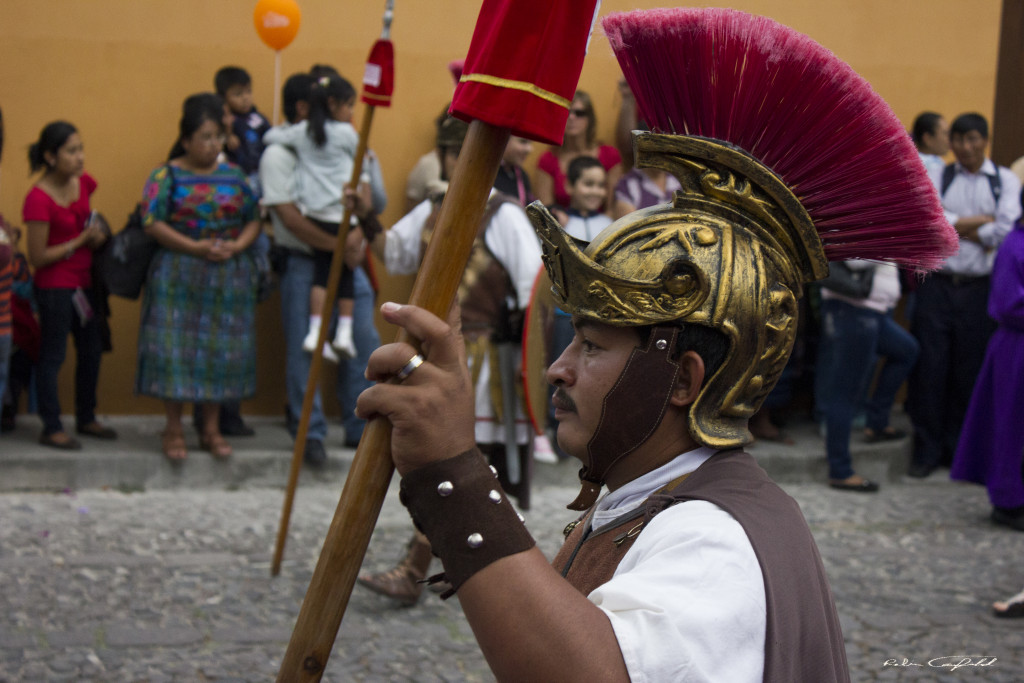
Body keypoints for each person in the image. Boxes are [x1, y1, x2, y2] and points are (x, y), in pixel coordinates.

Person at [353, 130, 850, 680]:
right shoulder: (653, 496)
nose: (557, 369)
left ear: (681, 379)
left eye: (591, 345)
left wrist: (451, 468)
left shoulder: (714, 538)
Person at [350, 116, 542, 606]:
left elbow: (532, 292)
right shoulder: (434, 209)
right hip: (430, 357)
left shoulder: (506, 216)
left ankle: (437, 570)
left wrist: (523, 372)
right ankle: (488, 577)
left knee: (467, 469)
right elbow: (393, 254)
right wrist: (366, 217)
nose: (459, 162)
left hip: (485, 362)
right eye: (455, 153)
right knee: (445, 467)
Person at [136, 94, 260, 461]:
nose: (212, 145)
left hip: (226, 278)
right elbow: (150, 221)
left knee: (218, 354)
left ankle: (211, 428)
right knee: (174, 351)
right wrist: (194, 247)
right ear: (186, 139)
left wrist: (237, 246)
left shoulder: (234, 176)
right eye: (205, 137)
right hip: (178, 275)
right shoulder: (166, 174)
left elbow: (254, 217)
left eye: (217, 137)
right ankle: (173, 429)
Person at [907, 112, 1021, 478]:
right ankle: (926, 450)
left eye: (973, 139)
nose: (966, 147)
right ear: (952, 144)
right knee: (930, 368)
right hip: (938, 287)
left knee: (967, 370)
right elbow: (931, 220)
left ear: (984, 141)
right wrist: (978, 224)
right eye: (959, 139)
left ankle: (959, 452)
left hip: (979, 290)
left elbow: (1005, 229)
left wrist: (956, 227)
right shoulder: (940, 174)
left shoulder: (1004, 180)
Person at [22, 120, 116, 450]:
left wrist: (97, 236)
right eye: (71, 151)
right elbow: (37, 255)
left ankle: (86, 416)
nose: (80, 157)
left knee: (91, 351)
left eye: (81, 149)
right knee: (53, 355)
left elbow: (90, 221)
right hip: (55, 286)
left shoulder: (84, 184)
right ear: (50, 156)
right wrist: (80, 241)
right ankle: (51, 425)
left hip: (86, 282)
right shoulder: (37, 199)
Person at [263, 74, 361, 359]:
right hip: (341, 215)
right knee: (345, 276)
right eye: (348, 105)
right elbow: (361, 157)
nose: (351, 112)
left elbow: (270, 135)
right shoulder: (345, 133)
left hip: (316, 214)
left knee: (322, 275)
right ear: (333, 105)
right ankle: (343, 332)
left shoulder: (302, 133)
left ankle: (317, 332)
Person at [950, 202, 1024, 530]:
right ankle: (1008, 501)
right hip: (1016, 349)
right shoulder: (1014, 244)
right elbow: (1009, 304)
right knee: (1010, 425)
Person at [817, 262, 919, 492]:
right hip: (852, 307)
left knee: (906, 351)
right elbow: (853, 259)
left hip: (873, 309)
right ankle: (840, 470)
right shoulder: (849, 225)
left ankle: (877, 423)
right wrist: (891, 240)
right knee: (845, 390)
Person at [535, 90, 622, 212]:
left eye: (579, 113)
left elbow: (612, 208)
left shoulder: (610, 155)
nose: (572, 117)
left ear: (590, 119)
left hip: (605, 227)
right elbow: (547, 211)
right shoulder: (548, 160)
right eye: (566, 112)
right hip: (563, 227)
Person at [215, 66, 271, 195]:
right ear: (223, 98)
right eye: (238, 94)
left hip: (263, 174)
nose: (245, 98)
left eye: (248, 91)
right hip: (238, 177)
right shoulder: (224, 121)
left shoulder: (259, 118)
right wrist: (227, 135)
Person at [492, 135, 534, 207]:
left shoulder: (522, 176)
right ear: (503, 140)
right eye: (523, 141)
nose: (529, 149)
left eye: (531, 143)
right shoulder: (487, 172)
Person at [911, 111, 949, 178]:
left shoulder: (937, 161)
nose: (949, 138)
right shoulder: (929, 167)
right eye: (945, 133)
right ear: (927, 139)